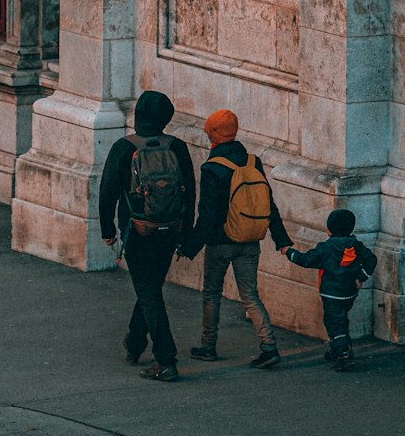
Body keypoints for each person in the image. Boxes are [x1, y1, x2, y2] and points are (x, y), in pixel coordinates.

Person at [178, 109, 291, 369]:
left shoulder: (212, 168)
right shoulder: (253, 162)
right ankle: (269, 346)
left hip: (221, 241)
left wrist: (189, 246)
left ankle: (208, 346)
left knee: (212, 294)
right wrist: (281, 238)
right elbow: (268, 204)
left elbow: (208, 215)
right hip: (250, 240)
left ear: (212, 135)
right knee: (250, 295)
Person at [98, 91, 196, 383]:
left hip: (138, 230)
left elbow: (107, 193)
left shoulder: (123, 148)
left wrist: (108, 230)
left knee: (149, 291)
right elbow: (189, 192)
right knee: (150, 287)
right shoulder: (177, 147)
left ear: (138, 115)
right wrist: (185, 232)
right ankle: (135, 342)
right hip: (170, 230)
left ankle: (165, 359)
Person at [286, 209, 377, 371]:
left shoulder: (326, 248)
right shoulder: (356, 246)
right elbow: (371, 260)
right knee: (341, 319)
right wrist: (360, 277)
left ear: (330, 229)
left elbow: (306, 260)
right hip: (349, 292)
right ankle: (338, 348)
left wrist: (289, 252)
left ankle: (343, 354)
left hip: (331, 293)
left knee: (333, 322)